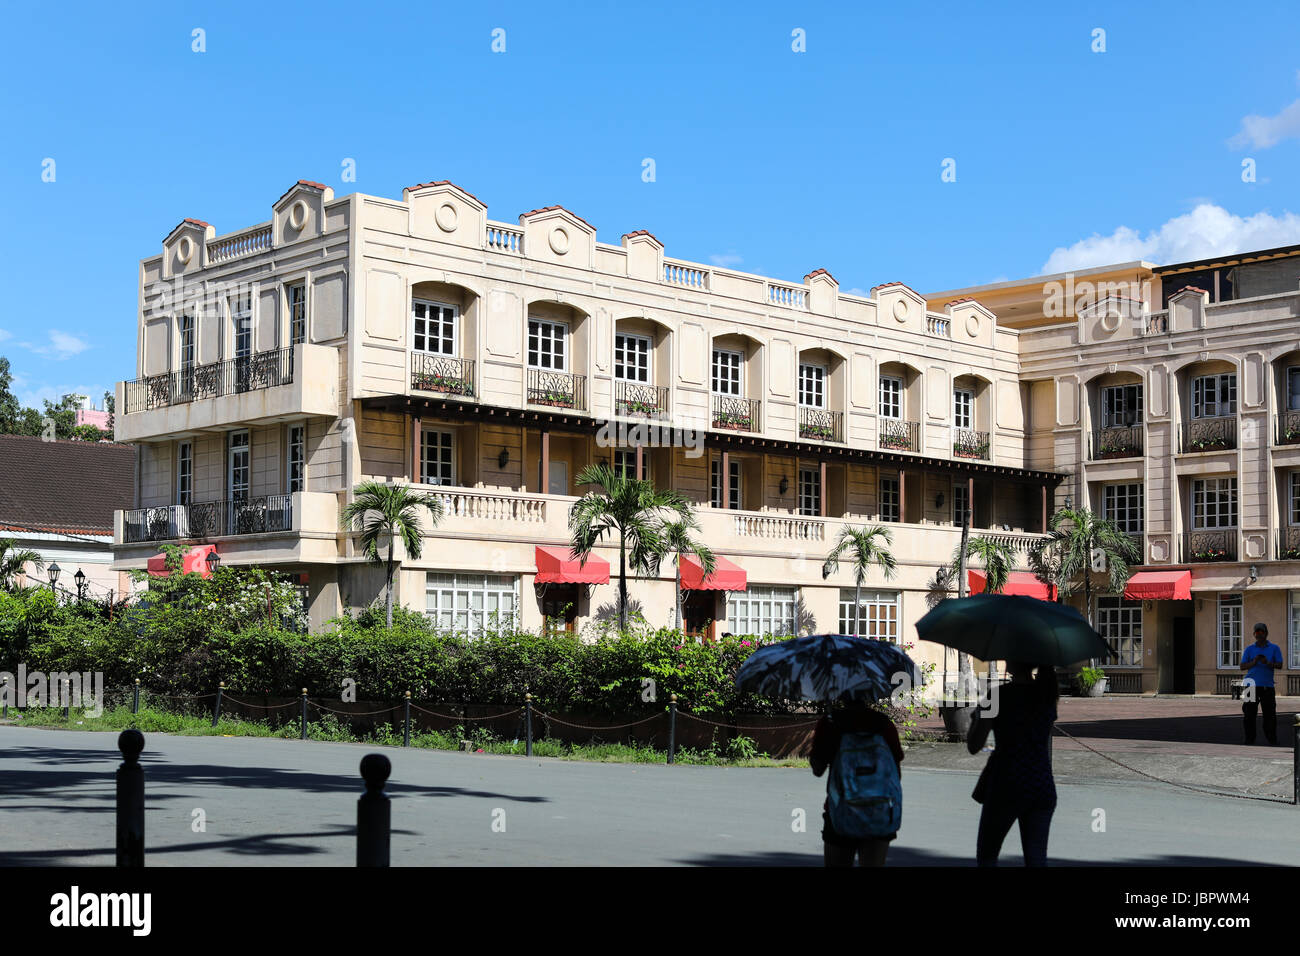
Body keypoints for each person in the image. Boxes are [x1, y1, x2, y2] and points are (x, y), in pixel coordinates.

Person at [966, 661, 1058, 867]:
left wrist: (978, 716)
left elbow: (974, 745)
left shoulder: (998, 695)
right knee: (1036, 859)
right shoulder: (1047, 696)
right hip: (1041, 782)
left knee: (988, 855)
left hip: (1005, 783)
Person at [809, 699, 904, 866]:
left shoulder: (830, 722)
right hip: (879, 811)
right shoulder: (884, 724)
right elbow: (896, 775)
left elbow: (817, 770)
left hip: (840, 811)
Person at [1240, 622, 1283, 745]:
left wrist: (1267, 662)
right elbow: (1242, 666)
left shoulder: (1274, 648)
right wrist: (1254, 661)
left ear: (1266, 633)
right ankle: (1249, 739)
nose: (1259, 634)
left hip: (1267, 686)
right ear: (1254, 634)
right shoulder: (1249, 649)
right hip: (1250, 685)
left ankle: (1272, 739)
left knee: (1269, 715)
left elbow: (1280, 665)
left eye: (1262, 632)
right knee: (1249, 714)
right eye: (1257, 632)